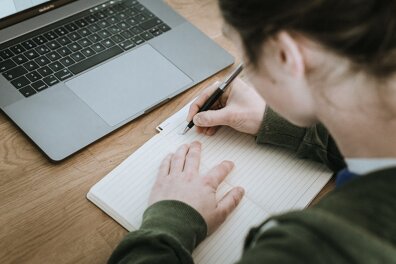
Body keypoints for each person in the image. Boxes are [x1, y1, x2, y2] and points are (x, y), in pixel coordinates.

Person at [108, 0, 396, 263]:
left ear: (286, 57)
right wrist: (286, 121)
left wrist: (171, 222)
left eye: (243, 56)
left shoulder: (305, 250)